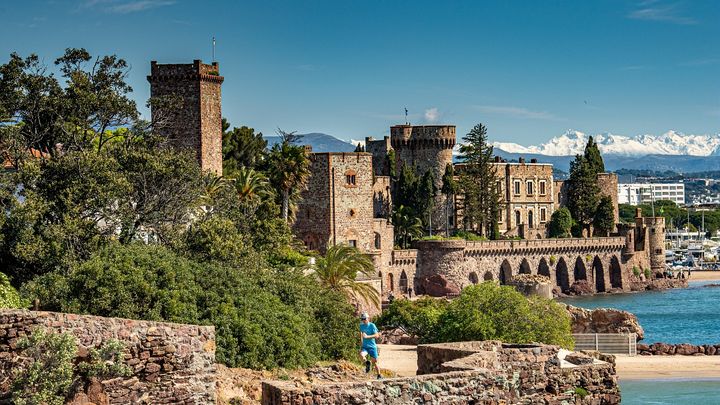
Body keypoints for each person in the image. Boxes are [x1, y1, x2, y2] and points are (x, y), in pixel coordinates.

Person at [359, 312, 381, 379]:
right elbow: (361, 334)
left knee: (375, 362)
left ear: (368, 318)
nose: (363, 320)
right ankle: (367, 363)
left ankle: (379, 375)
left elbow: (377, 335)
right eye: (362, 319)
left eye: (364, 318)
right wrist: (361, 342)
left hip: (372, 347)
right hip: (365, 346)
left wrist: (368, 336)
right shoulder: (361, 326)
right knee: (361, 355)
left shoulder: (372, 325)